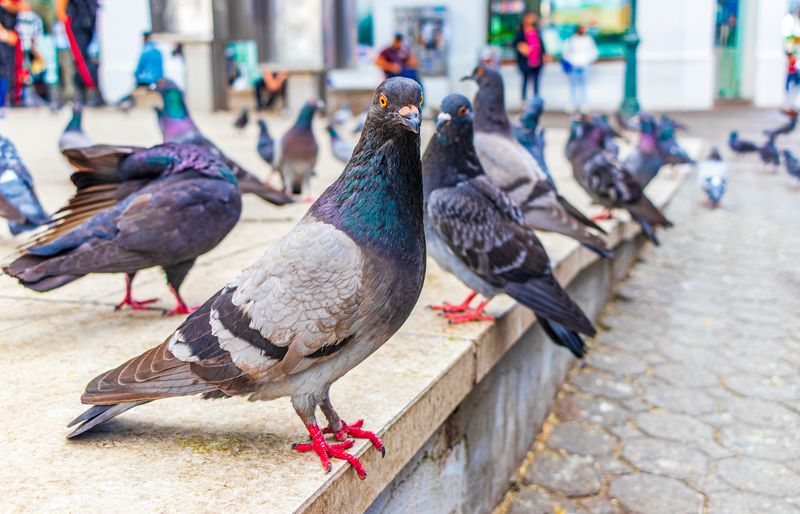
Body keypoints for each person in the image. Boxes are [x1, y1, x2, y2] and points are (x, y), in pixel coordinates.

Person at [55, 0, 102, 106]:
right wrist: (61, 13)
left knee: (86, 58)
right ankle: (88, 91)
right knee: (80, 58)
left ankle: (90, 91)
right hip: (77, 19)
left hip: (88, 18)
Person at [116, 32, 163, 110]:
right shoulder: (158, 52)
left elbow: (138, 69)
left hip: (144, 81)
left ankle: (124, 103)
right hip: (156, 81)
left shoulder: (145, 52)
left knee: (131, 94)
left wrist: (136, 76)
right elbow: (161, 69)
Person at [562, 25, 598, 112]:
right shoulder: (571, 40)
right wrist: (572, 61)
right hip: (573, 66)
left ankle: (584, 104)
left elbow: (593, 52)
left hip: (584, 66)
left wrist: (587, 60)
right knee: (573, 86)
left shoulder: (588, 39)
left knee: (584, 86)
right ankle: (572, 103)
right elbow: (566, 53)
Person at [513, 11, 547, 101]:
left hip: (536, 61)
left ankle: (536, 100)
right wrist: (522, 48)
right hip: (525, 61)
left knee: (536, 82)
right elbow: (515, 44)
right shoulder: (520, 32)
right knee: (525, 81)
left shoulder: (537, 31)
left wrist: (544, 55)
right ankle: (524, 100)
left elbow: (541, 45)